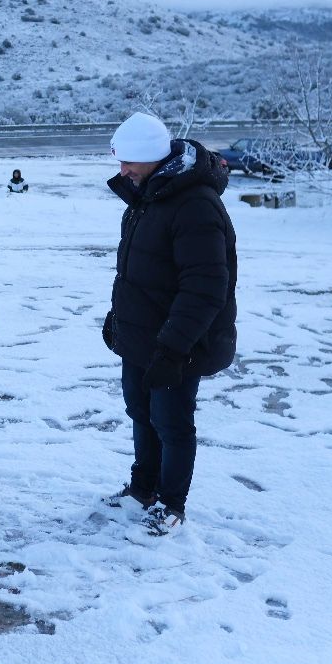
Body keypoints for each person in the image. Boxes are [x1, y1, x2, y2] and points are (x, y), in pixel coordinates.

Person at [103, 112, 237, 536]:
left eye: (128, 162)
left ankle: (171, 503)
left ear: (152, 159)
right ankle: (143, 487)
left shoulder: (195, 205)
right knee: (140, 413)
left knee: (172, 423)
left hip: (180, 343)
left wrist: (174, 348)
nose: (122, 171)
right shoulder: (148, 193)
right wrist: (118, 319)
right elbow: (135, 270)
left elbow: (204, 289)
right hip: (142, 336)